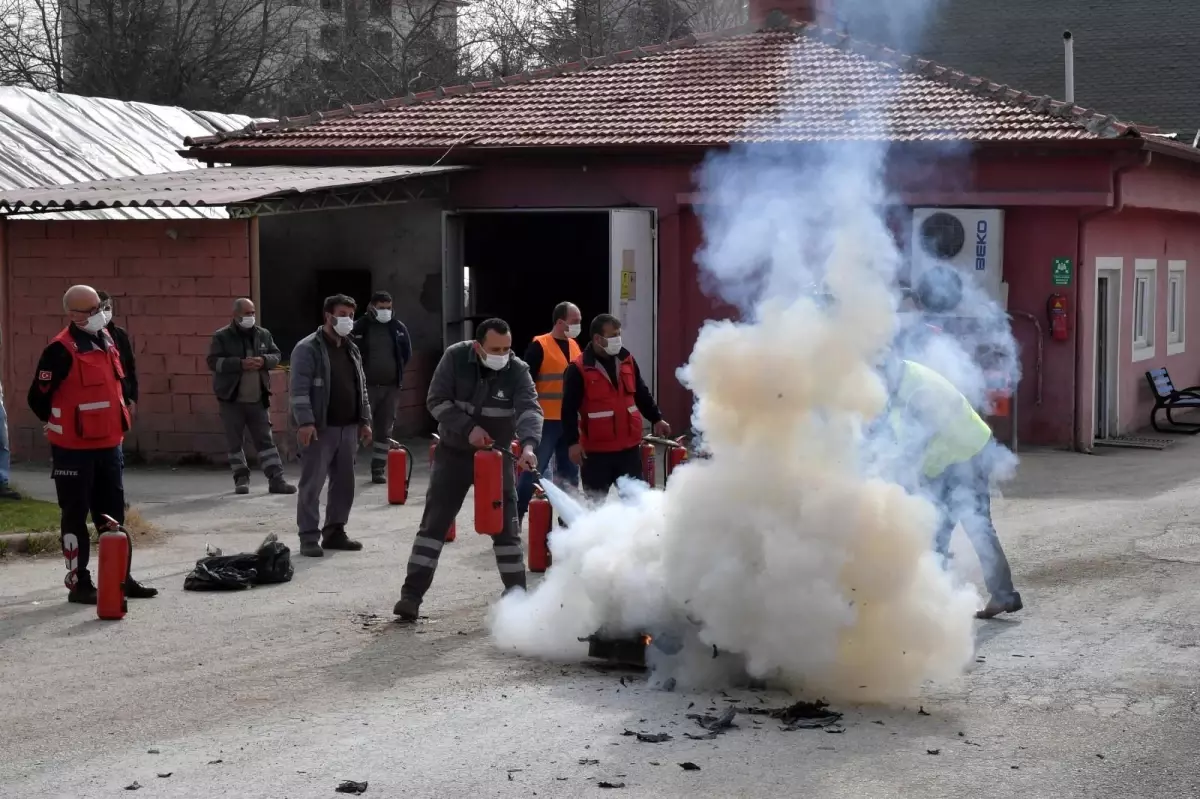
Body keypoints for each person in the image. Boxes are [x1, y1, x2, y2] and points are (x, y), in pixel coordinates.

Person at [393, 318, 541, 621]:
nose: (503, 355)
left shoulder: (517, 370)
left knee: (506, 530)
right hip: (454, 454)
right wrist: (468, 428)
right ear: (478, 347)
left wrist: (528, 446)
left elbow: (530, 408)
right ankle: (411, 597)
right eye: (495, 349)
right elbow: (435, 400)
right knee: (434, 526)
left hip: (496, 458)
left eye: (507, 348)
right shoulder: (455, 358)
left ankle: (516, 597)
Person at [27, 285, 157, 604]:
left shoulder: (109, 339)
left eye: (100, 306)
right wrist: (57, 422)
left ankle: (120, 578)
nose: (99, 314)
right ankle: (79, 583)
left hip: (109, 445)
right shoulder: (59, 350)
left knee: (113, 515)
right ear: (72, 315)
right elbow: (37, 397)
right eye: (91, 310)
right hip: (73, 449)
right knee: (75, 516)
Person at [883, 357, 1023, 620]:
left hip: (967, 455)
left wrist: (908, 477)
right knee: (947, 528)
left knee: (969, 526)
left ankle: (936, 600)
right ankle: (995, 595)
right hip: (956, 457)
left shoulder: (918, 391)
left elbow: (919, 444)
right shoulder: (904, 382)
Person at [289, 294, 373, 558]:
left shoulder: (351, 348)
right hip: (319, 428)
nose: (347, 319)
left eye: (351, 314)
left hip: (348, 427)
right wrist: (305, 422)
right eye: (342, 314)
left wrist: (365, 420)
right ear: (328, 316)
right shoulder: (308, 348)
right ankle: (308, 537)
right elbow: (299, 390)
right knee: (312, 484)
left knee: (344, 483)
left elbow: (362, 388)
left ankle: (335, 532)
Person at [562, 314, 670, 497]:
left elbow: (641, 392)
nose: (618, 339)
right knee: (593, 506)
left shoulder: (627, 360)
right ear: (598, 338)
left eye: (619, 334)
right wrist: (572, 443)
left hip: (629, 451)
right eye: (613, 335)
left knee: (636, 504)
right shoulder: (578, 369)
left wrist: (656, 418)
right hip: (596, 454)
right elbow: (568, 409)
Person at [207, 298, 295, 496]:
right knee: (234, 442)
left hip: (258, 399)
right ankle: (241, 479)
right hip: (231, 399)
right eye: (247, 313)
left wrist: (263, 361)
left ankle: (276, 479)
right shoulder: (222, 336)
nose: (251, 317)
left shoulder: (263, 335)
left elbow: (276, 355)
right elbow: (213, 362)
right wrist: (239, 364)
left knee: (266, 441)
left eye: (253, 312)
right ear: (236, 315)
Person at [516, 301, 583, 522]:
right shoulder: (540, 345)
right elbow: (525, 384)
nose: (578, 325)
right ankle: (516, 516)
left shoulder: (575, 346)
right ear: (560, 322)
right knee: (533, 470)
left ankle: (568, 522)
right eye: (575, 321)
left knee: (570, 473)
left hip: (569, 421)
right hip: (544, 421)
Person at [351, 291, 412, 484]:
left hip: (391, 387)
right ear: (371, 307)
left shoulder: (398, 328)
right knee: (358, 427)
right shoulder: (360, 326)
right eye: (381, 308)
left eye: (388, 307)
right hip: (365, 388)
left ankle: (378, 469)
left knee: (384, 429)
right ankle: (346, 467)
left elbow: (406, 353)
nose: (385, 311)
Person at [97, 291, 137, 416]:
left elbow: (130, 367)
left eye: (107, 308)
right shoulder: (79, 337)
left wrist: (132, 397)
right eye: (99, 309)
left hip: (120, 399)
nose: (104, 313)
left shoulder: (119, 334)